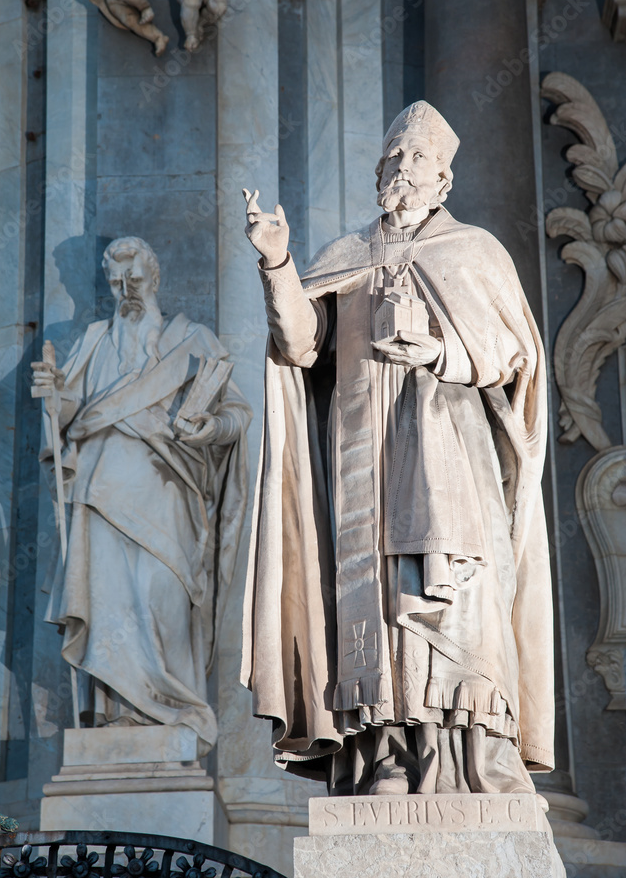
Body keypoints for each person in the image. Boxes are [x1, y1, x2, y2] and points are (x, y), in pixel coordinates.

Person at [241, 102, 555, 795]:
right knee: (369, 605)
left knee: (448, 594)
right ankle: (382, 754)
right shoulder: (343, 256)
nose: (401, 172)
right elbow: (298, 344)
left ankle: (463, 757)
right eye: (392, 161)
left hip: (447, 454)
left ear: (443, 182)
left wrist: (441, 349)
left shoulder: (472, 251)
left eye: (417, 162)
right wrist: (277, 262)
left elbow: (516, 353)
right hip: (361, 459)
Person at [32, 237, 250, 752]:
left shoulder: (193, 341)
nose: (126, 291)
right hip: (100, 493)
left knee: (163, 597)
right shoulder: (93, 339)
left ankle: (173, 709)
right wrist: (53, 397)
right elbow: (69, 418)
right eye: (116, 282)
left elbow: (237, 415)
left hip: (168, 490)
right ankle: (117, 719)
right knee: (107, 604)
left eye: (134, 279)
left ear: (154, 278)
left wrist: (210, 426)